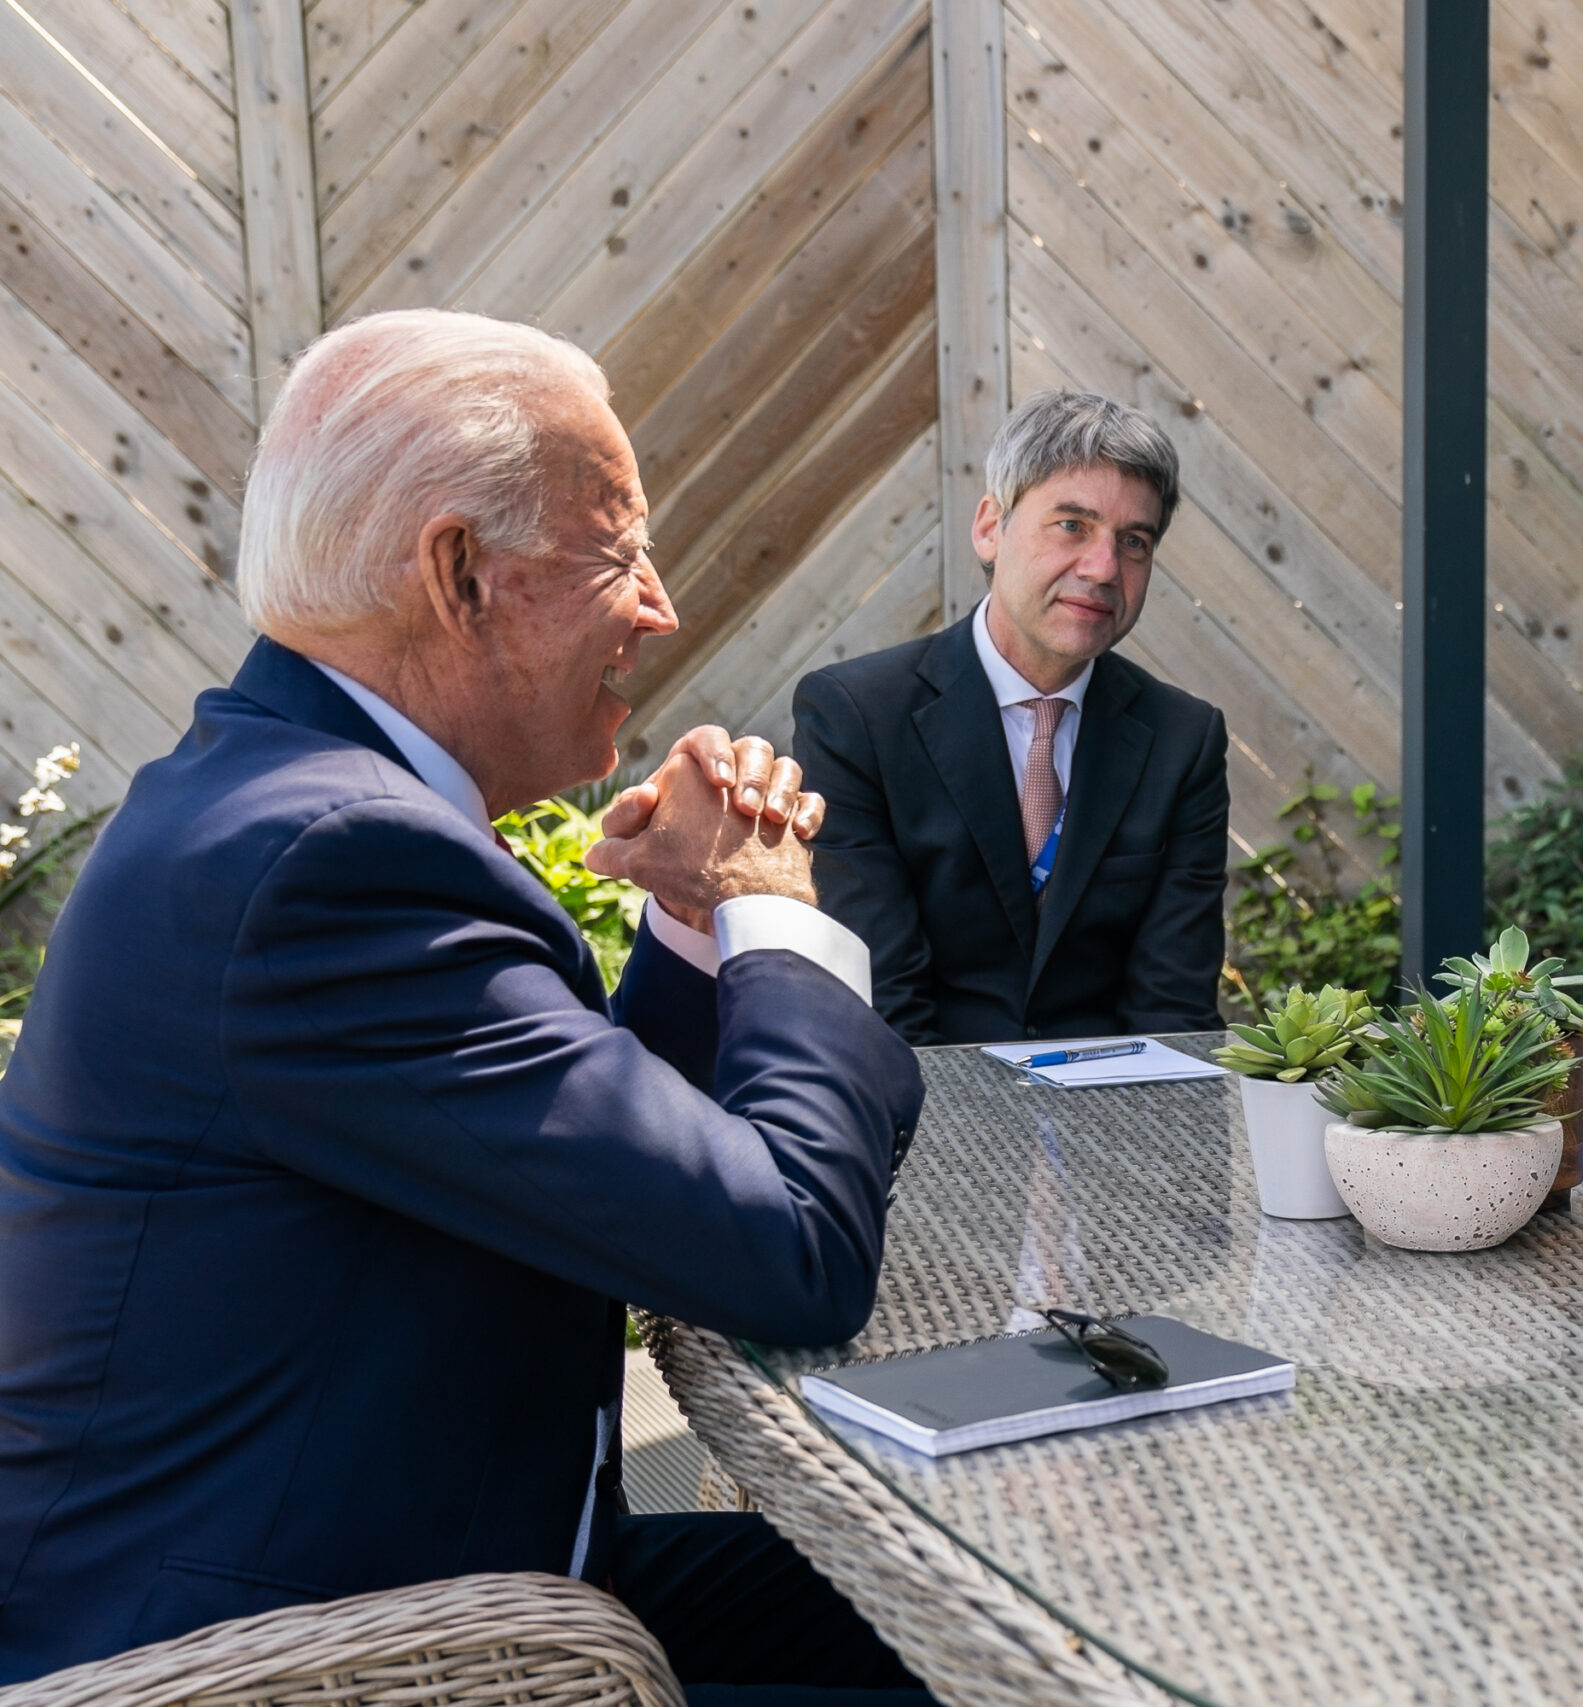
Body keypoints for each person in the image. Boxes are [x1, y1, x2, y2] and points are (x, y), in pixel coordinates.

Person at [0, 309, 933, 1701]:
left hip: (434, 1555)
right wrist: (771, 906)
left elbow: (581, 1162)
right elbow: (790, 1253)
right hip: (296, 1653)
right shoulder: (328, 863)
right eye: (618, 552)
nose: (662, 606)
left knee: (910, 1613)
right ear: (460, 575)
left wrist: (685, 924)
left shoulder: (280, 796)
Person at [792, 390, 1228, 1046]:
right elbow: (883, 1001)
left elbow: (1172, 1012)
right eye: (1072, 525)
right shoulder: (856, 720)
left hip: (1113, 1122)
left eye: (1133, 541)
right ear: (991, 527)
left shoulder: (1183, 742)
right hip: (921, 1114)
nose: (1104, 568)